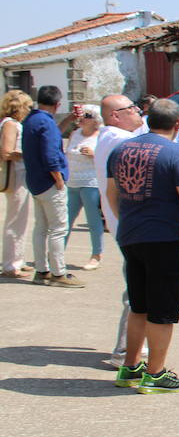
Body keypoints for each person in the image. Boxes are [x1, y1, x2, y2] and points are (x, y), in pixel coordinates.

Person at [106, 99, 179, 394]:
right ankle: (155, 372)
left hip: (132, 235)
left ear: (146, 120)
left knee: (138, 304)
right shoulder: (176, 153)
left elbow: (111, 193)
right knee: (162, 310)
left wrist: (129, 220)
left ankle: (130, 366)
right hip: (166, 238)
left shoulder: (121, 149)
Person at [95, 94, 148, 366]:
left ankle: (132, 349)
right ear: (116, 115)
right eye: (131, 109)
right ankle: (126, 352)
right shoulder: (121, 141)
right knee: (138, 291)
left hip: (124, 224)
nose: (138, 113)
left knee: (137, 288)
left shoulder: (110, 137)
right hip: (132, 226)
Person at [22, 85, 82, 288]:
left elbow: (51, 135)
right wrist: (58, 179)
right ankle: (58, 272)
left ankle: (42, 270)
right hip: (49, 182)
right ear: (58, 104)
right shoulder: (45, 123)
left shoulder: (32, 119)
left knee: (41, 228)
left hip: (35, 181)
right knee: (58, 228)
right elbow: (50, 155)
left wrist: (68, 121)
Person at [62, 106, 104, 270]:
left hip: (90, 182)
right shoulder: (75, 134)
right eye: (82, 115)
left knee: (93, 220)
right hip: (72, 181)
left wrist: (94, 154)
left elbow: (107, 157)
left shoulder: (100, 136)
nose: (82, 118)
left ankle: (96, 255)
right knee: (65, 220)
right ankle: (57, 254)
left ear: (96, 120)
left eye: (87, 116)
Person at [1, 90, 34, 278]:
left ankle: (17, 260)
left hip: (20, 175)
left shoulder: (12, 123)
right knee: (16, 220)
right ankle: (10, 265)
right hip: (17, 175)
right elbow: (6, 152)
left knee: (21, 218)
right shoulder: (10, 124)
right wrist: (29, 154)